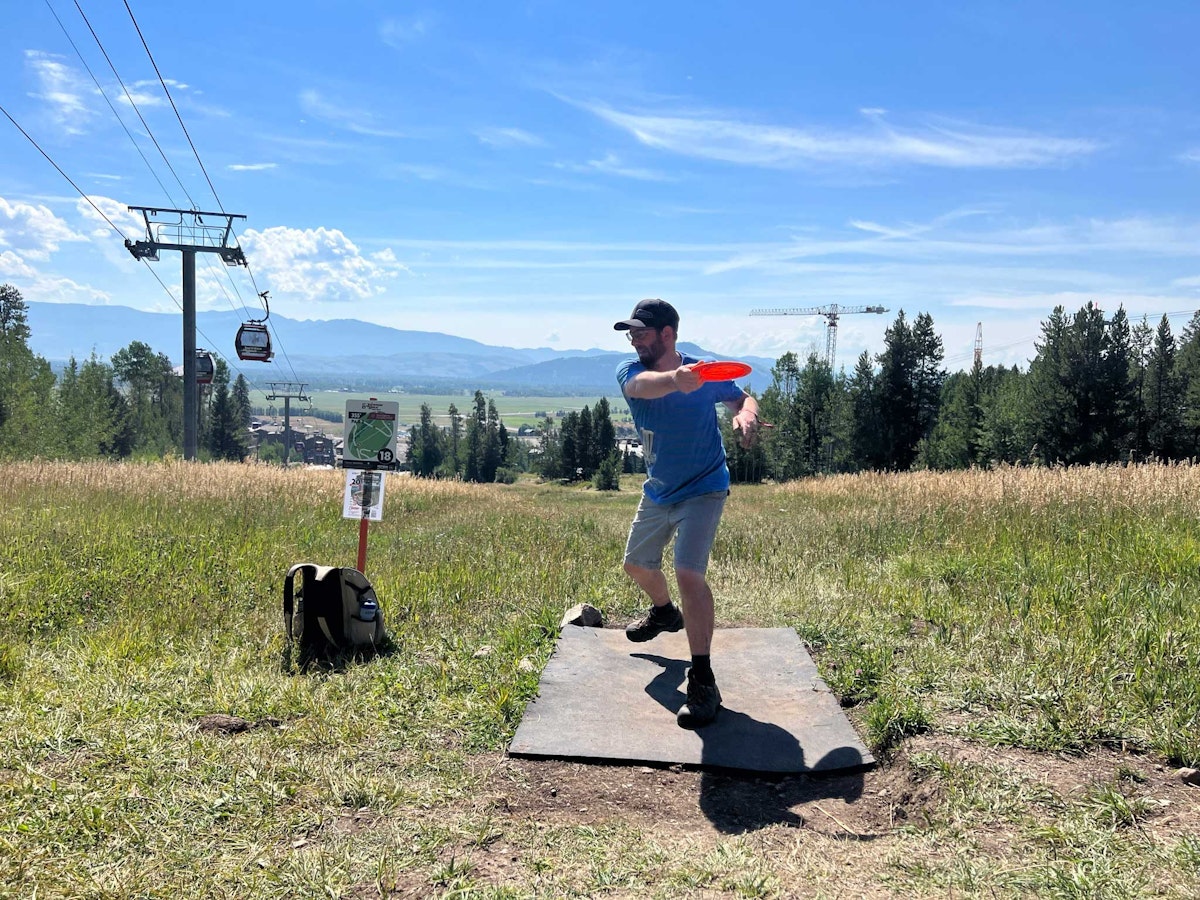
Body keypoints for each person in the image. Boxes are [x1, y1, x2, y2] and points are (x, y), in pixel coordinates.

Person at [614, 298, 763, 728]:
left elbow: (742, 398)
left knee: (688, 572)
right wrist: (677, 380)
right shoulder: (631, 372)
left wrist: (745, 418)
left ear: (667, 334)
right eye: (631, 334)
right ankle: (664, 613)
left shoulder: (706, 374)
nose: (634, 340)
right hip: (659, 491)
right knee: (636, 566)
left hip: (704, 488)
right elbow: (646, 387)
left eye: (640, 332)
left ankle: (703, 678)